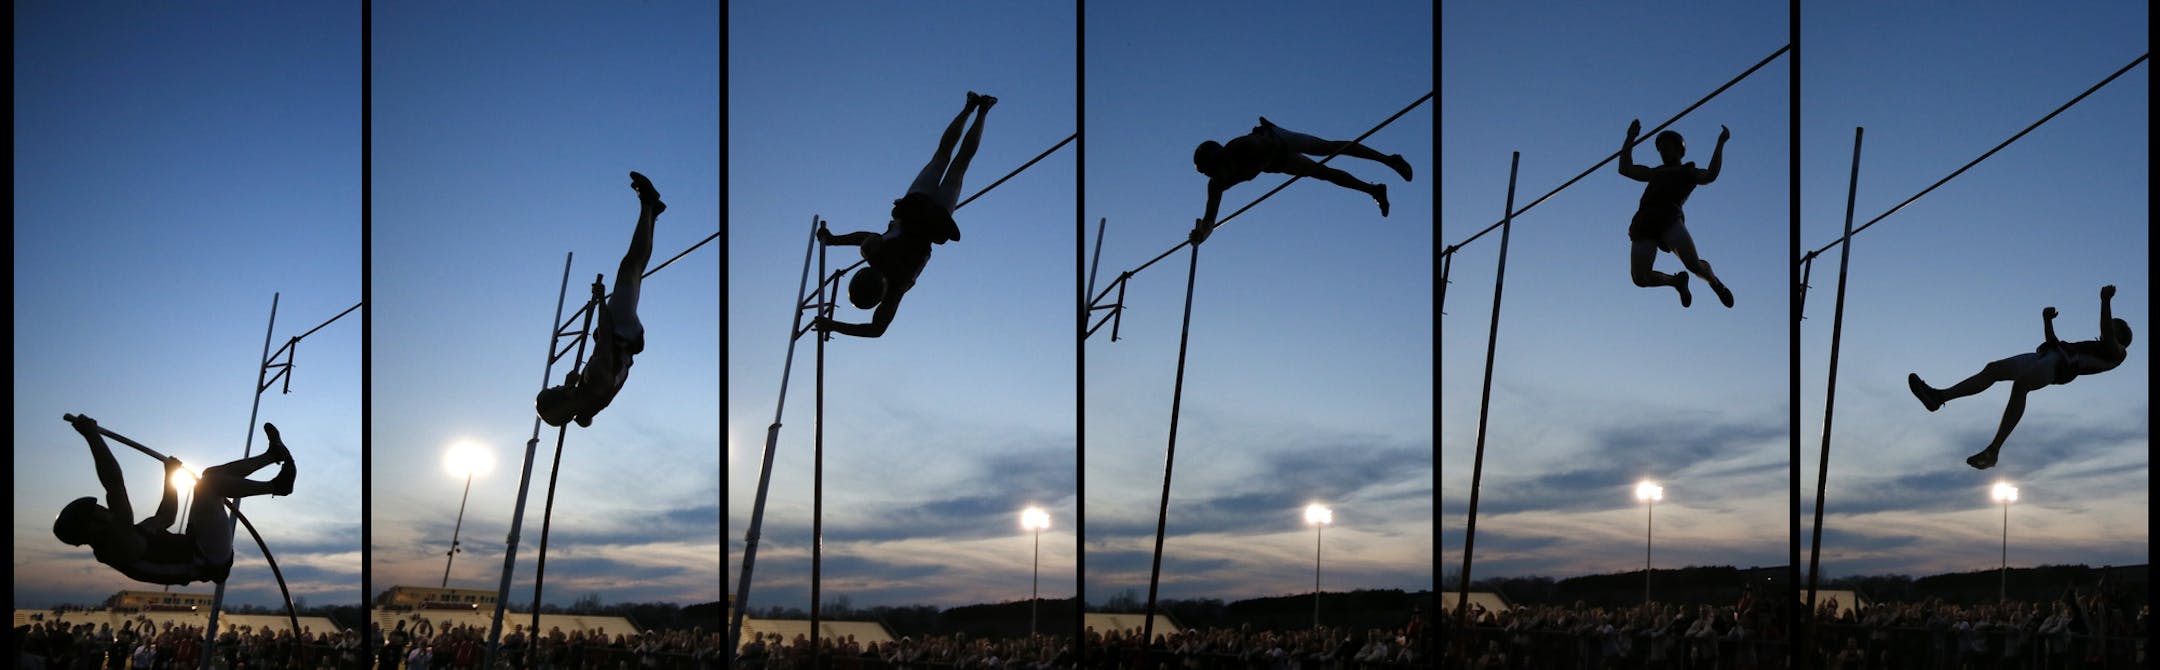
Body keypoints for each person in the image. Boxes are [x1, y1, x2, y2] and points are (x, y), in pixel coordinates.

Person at [815, 92, 993, 338]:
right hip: (918, 210)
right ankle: (972, 107)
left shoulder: (897, 288)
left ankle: (981, 109)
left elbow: (876, 330)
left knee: (958, 162)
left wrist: (833, 325)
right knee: (944, 156)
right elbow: (864, 237)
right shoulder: (874, 254)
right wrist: (833, 240)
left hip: (934, 218)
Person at [52, 414, 296, 585]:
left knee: (209, 476)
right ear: (91, 525)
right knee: (209, 486)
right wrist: (93, 437)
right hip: (208, 558)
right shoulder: (116, 545)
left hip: (198, 543)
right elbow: (114, 485)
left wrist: (169, 475)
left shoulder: (133, 533)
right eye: (98, 510)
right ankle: (277, 486)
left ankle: (273, 455)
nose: (104, 509)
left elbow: (165, 516)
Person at [1908, 285, 2131, 469]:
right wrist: (2047, 320)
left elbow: (2108, 334)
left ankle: (1993, 450)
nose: (2104, 330)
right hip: (2049, 356)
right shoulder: (2093, 346)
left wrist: (2105, 301)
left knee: (2020, 386)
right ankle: (1939, 396)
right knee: (1993, 369)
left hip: (2060, 367)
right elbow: (2054, 342)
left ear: (2119, 334)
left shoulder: (2118, 353)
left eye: (2110, 327)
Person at [536, 171, 665, 427]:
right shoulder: (594, 384)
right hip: (618, 330)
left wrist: (573, 385)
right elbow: (605, 338)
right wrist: (599, 301)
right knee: (630, 266)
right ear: (562, 400)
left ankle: (652, 212)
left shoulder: (587, 402)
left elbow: (585, 418)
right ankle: (648, 205)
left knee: (634, 267)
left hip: (624, 337)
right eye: (557, 390)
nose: (560, 385)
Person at [1189, 117, 1413, 244]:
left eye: (1213, 169)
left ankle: (1389, 159)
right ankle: (1374, 190)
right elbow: (1210, 221)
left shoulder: (1241, 147)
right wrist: (1201, 235)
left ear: (1219, 159)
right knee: (1325, 174)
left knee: (1329, 148)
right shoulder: (1216, 184)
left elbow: (1268, 147)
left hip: (1278, 142)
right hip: (1276, 164)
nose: (1214, 176)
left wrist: (1270, 136)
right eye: (1208, 174)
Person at [1618, 121, 1734, 308]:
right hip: (1645, 221)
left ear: (1679, 150)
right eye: (1661, 148)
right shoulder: (1655, 172)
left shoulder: (1687, 171)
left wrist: (1721, 143)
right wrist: (1630, 137)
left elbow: (1711, 175)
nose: (1663, 151)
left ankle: (1715, 283)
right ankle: (1677, 282)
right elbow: (1625, 169)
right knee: (1640, 278)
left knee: (1693, 264)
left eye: (1667, 146)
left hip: (1669, 219)